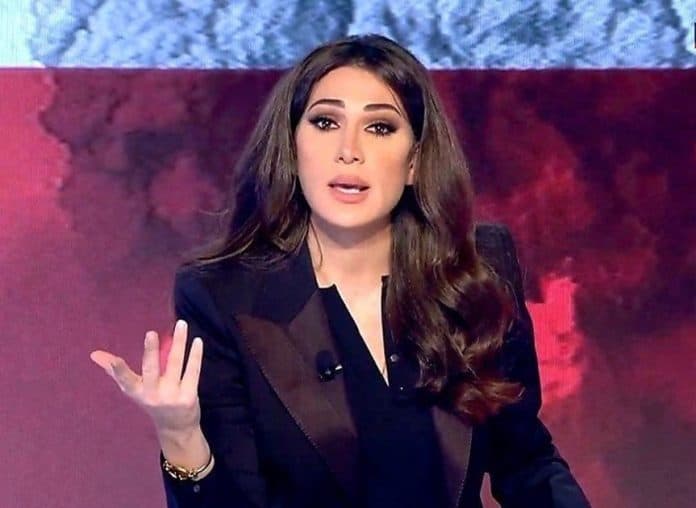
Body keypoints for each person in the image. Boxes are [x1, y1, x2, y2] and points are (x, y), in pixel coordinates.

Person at [90, 34, 591, 508]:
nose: (349, 149)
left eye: (380, 127)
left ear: (414, 162)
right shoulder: (224, 295)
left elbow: (526, 463)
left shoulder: (477, 268)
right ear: (293, 147)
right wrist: (180, 436)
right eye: (326, 122)